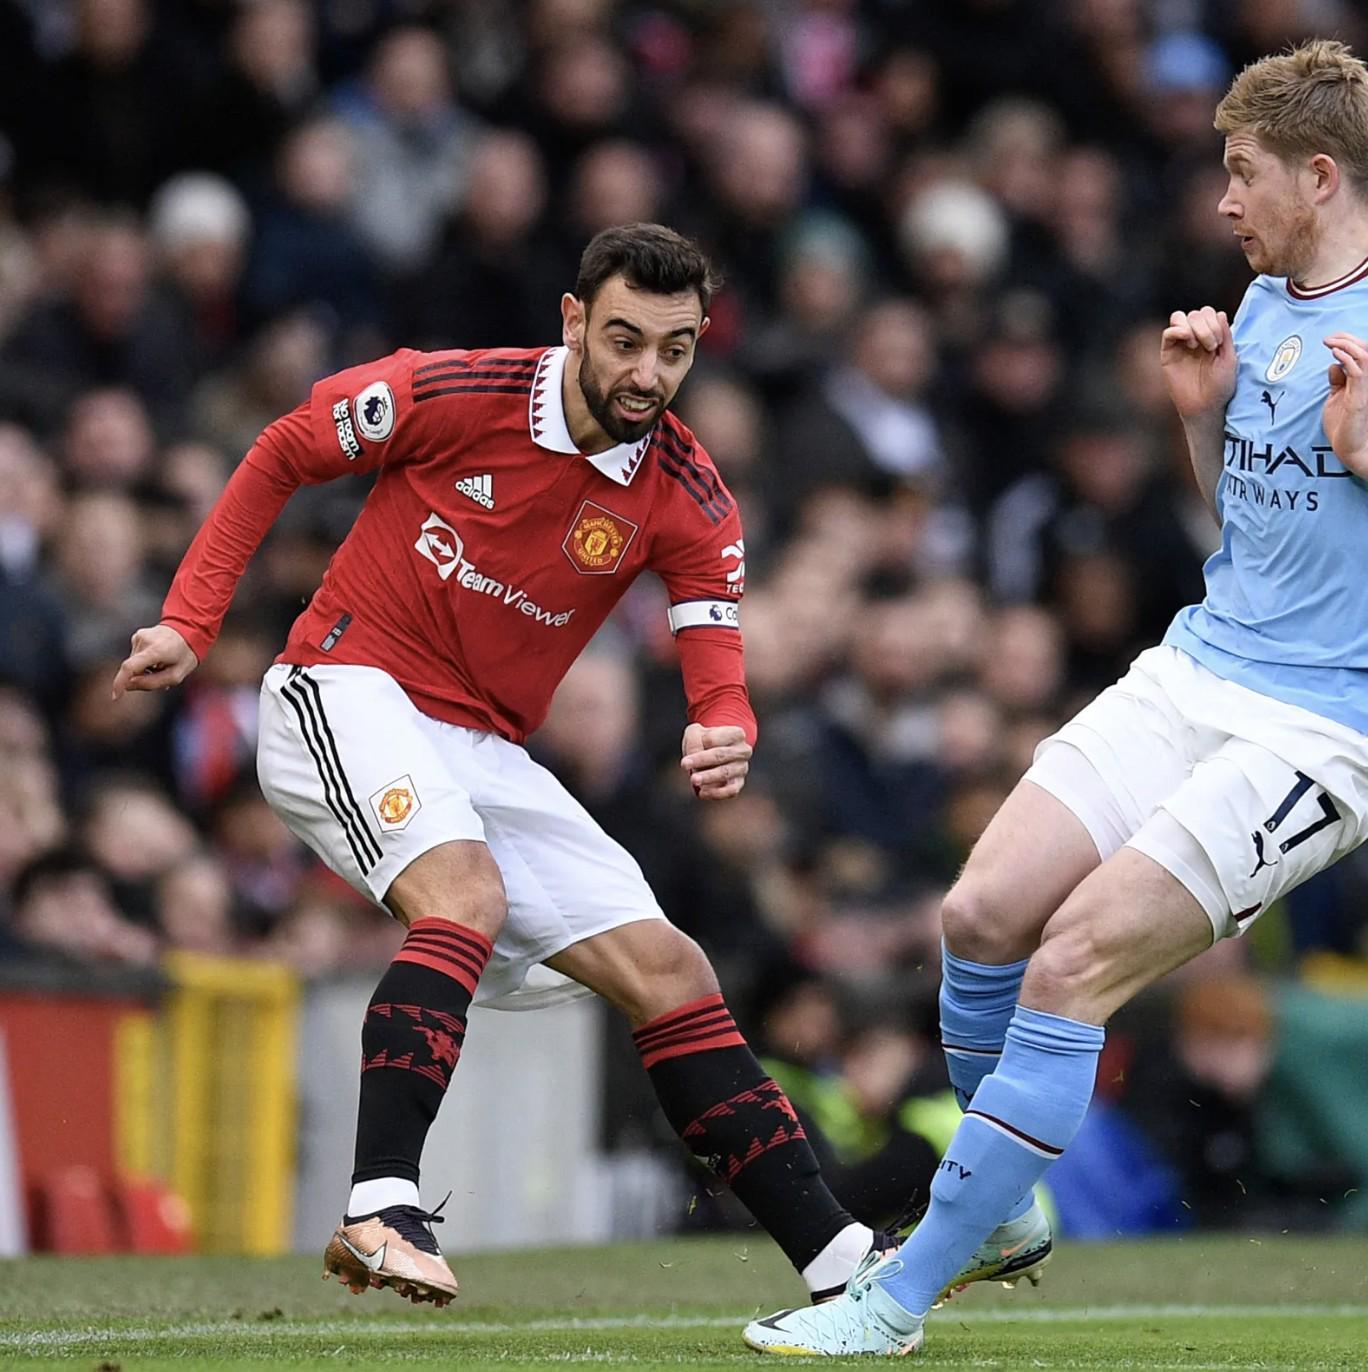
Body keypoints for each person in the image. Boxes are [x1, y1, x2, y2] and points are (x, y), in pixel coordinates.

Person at [744, 40, 1368, 1356]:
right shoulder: (1262, 304)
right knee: (979, 913)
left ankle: (894, 1301)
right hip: (1200, 668)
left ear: (1319, 175)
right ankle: (997, 1208)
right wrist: (1201, 417)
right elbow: (1252, 529)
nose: (1223, 200)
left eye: (1242, 173)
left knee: (1073, 960)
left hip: (1328, 729)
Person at [112, 224, 883, 1309]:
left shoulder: (690, 491)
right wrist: (191, 622)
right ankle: (380, 1205)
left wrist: (725, 721)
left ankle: (842, 1267)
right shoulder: (454, 391)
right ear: (574, 320)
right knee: (464, 893)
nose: (647, 373)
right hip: (344, 684)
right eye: (625, 340)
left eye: (675, 349)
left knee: (671, 970)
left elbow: (714, 651)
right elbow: (285, 447)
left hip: (482, 748)